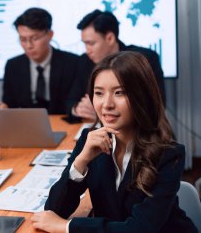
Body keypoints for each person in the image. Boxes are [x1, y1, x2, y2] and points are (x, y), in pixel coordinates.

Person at [31, 51, 197, 233]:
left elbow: (140, 229)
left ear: (142, 96)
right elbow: (53, 211)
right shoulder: (90, 140)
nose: (106, 104)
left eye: (119, 93)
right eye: (99, 93)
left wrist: (67, 226)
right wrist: (81, 162)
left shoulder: (169, 154)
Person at [69, 9, 166, 121]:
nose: (87, 50)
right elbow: (70, 100)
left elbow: (157, 104)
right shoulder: (84, 61)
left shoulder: (143, 59)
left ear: (110, 38)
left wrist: (101, 112)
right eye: (85, 44)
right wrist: (79, 109)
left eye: (91, 43)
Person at [0, 7, 80, 114]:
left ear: (50, 35)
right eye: (23, 39)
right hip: (26, 126)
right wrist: (3, 107)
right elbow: (9, 103)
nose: (29, 46)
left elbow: (73, 102)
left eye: (34, 38)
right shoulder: (13, 65)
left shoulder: (72, 63)